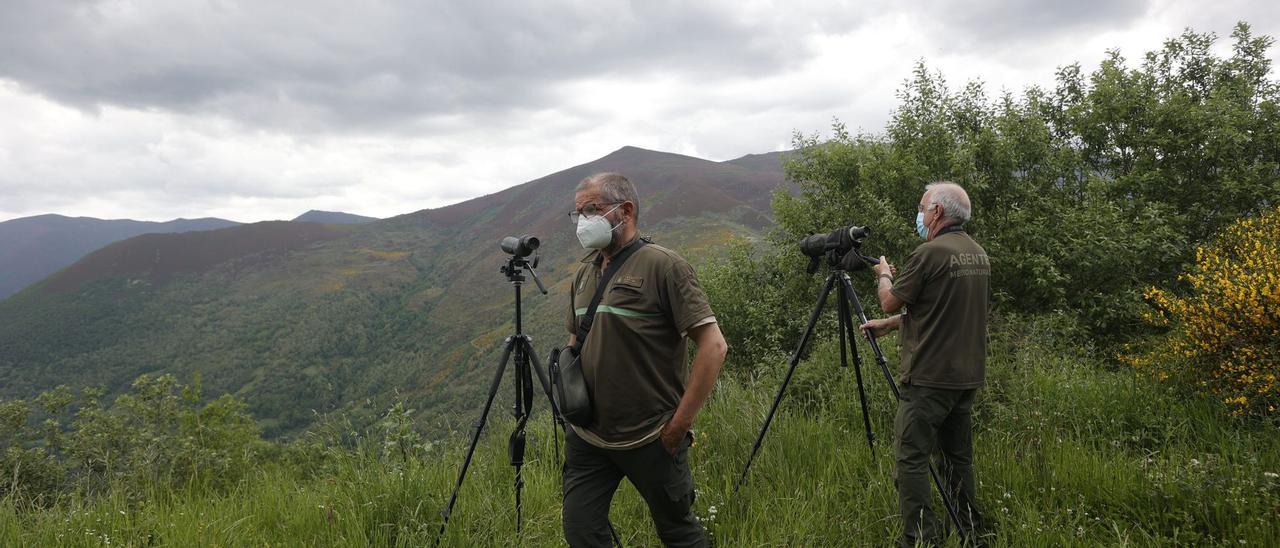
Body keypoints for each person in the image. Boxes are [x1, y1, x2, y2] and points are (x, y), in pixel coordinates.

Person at [561, 172, 728, 547]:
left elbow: (714, 347)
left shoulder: (664, 266)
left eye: (592, 210)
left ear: (626, 210)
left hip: (652, 435)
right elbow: (575, 346)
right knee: (582, 530)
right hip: (590, 437)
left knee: (679, 533)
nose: (584, 221)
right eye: (578, 214)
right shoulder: (585, 274)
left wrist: (678, 426)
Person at [860, 181, 990, 547]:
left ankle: (920, 539)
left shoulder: (929, 253)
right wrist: (891, 327)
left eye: (921, 208)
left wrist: (884, 273)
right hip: (966, 377)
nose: (919, 215)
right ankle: (970, 532)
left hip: (929, 378)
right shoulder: (977, 253)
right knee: (958, 459)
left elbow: (890, 301)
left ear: (936, 212)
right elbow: (946, 311)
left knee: (911, 458)